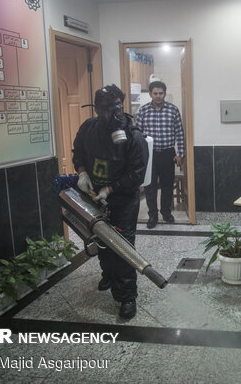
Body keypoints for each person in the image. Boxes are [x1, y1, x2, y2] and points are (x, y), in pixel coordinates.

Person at [72, 84, 147, 319]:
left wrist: (110, 188)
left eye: (113, 108)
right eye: (102, 109)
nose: (107, 115)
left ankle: (127, 296)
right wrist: (83, 173)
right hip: (93, 196)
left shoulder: (133, 136)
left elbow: (137, 174)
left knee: (122, 246)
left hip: (123, 198)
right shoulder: (88, 128)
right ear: (95, 108)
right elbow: (78, 152)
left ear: (121, 105)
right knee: (101, 239)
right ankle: (109, 274)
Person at [136, 81, 185, 229]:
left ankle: (166, 212)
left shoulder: (173, 110)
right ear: (150, 94)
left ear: (164, 93)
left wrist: (180, 154)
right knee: (150, 186)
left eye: (161, 93)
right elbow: (137, 135)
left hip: (168, 153)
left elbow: (180, 133)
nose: (158, 96)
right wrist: (139, 157)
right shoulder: (143, 111)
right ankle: (153, 215)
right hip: (149, 155)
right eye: (155, 93)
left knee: (167, 185)